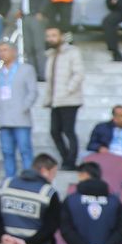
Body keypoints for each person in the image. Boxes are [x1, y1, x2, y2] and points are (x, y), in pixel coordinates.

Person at [0, 41, 38, 183]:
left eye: (5, 50)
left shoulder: (26, 69)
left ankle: (29, 178)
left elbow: (33, 91)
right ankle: (9, 179)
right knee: (7, 151)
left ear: (14, 51)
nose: (2, 53)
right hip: (4, 117)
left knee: (25, 149)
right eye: (0, 51)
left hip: (21, 117)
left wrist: (24, 107)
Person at [42, 27, 85, 171]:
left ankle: (71, 161)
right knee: (54, 131)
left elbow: (79, 74)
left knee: (68, 131)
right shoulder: (51, 55)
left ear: (61, 36)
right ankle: (66, 158)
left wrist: (68, 90)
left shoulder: (72, 52)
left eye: (54, 35)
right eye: (48, 36)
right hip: (55, 100)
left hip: (69, 100)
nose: (51, 38)